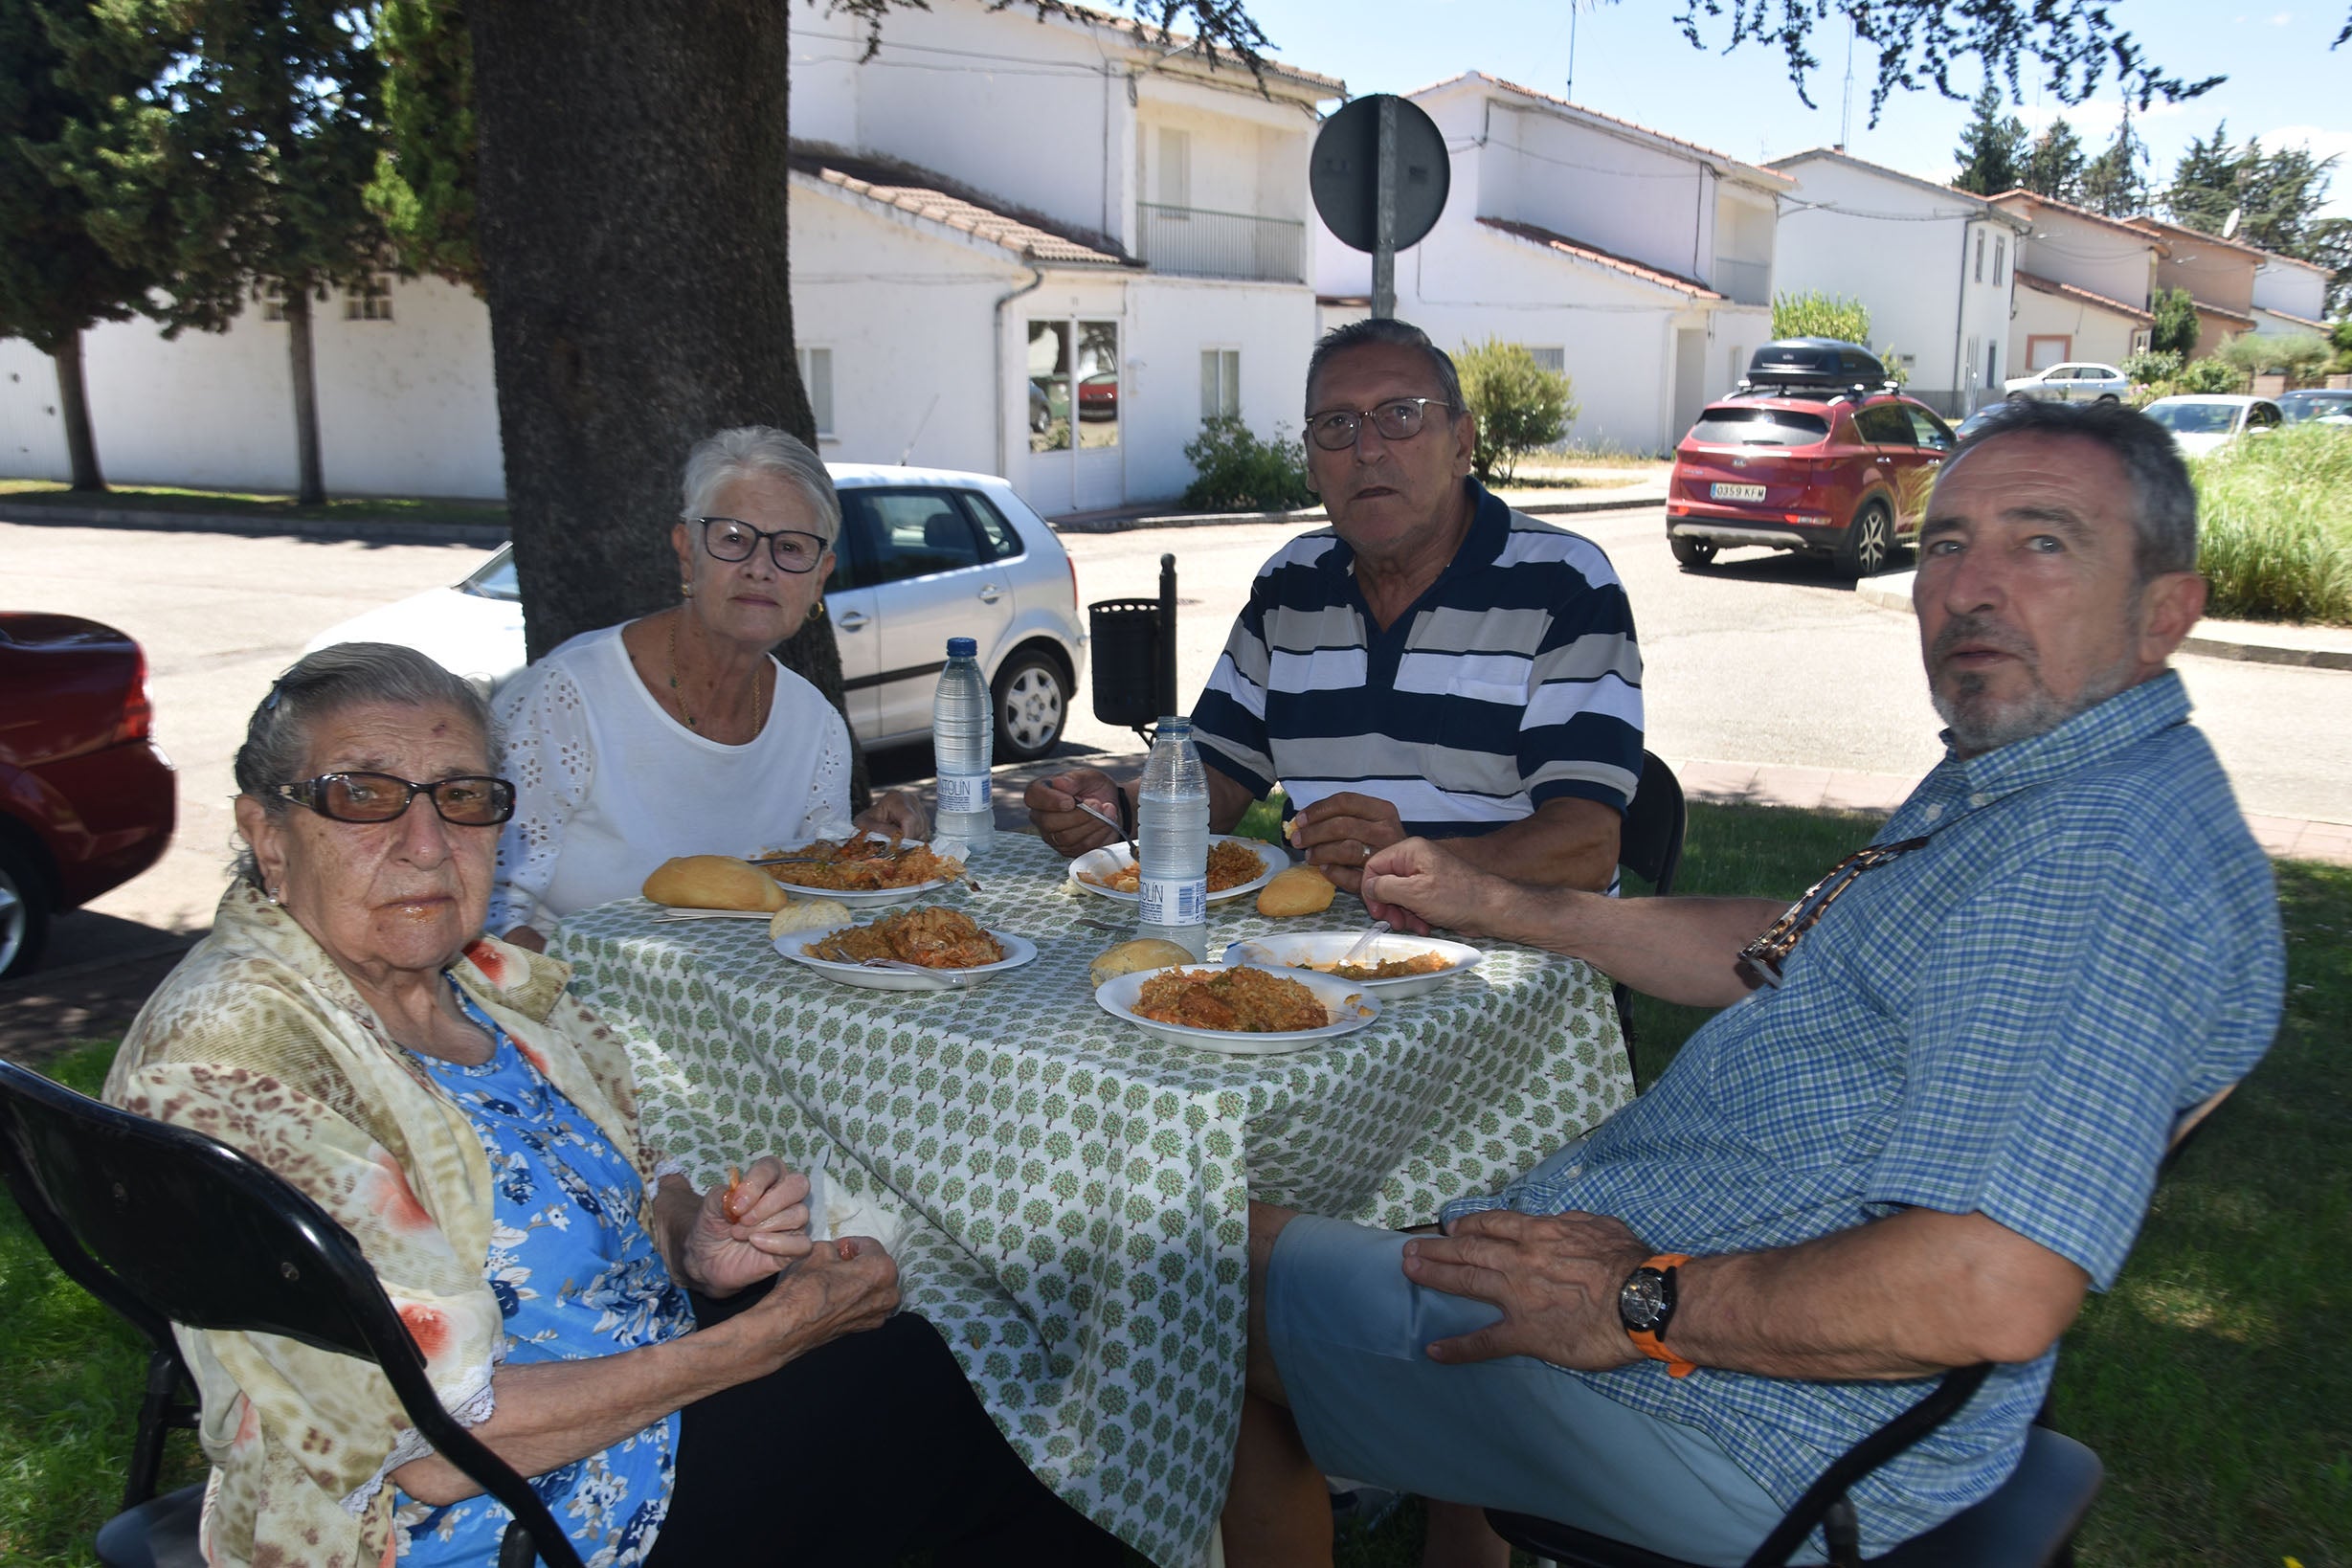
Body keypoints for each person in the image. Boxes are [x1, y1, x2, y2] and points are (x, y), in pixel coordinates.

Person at [1221, 398, 2285, 1567]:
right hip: (1744, 1333)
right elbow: (1792, 944)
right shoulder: (2039, 776)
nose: (1970, 588)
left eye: (2042, 543)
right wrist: (1502, 904)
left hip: (1755, 1421)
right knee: (1313, 1230)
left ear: (2164, 612)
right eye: (1946, 543)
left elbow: (1987, 1286)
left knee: (1182, 1269)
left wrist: (1633, 1303)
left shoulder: (2089, 862)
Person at [105, 643, 1118, 1568]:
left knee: (903, 1368)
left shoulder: (479, 982)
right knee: (890, 1395)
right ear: (267, 835)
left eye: (461, 798)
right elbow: (433, 1449)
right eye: (363, 796)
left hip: (611, 1409)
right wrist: (770, 1335)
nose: (424, 842)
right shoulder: (240, 1062)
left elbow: (615, 1188)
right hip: (505, 1523)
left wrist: (691, 1240)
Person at [1026, 319, 1643, 904]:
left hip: (1514, 970)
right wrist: (1119, 808)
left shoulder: (1564, 583)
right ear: (1311, 463)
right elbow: (1218, 774)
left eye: (1401, 415)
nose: (1367, 449)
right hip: (1320, 955)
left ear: (1462, 443)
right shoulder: (1292, 586)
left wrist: (1421, 862)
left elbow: (1586, 844)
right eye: (1337, 424)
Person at [488, 426, 925, 950]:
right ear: (686, 552)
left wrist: (869, 838)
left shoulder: (814, 723)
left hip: (738, 1017)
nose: (760, 569)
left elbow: (809, 879)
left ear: (819, 576)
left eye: (790, 547)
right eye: (734, 539)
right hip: (578, 1010)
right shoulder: (566, 698)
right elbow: (487, 905)